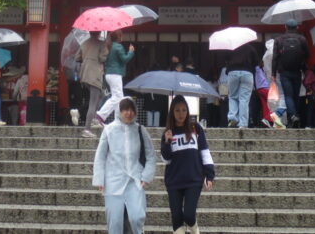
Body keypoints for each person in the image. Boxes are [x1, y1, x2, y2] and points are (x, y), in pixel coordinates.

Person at [93, 97, 156, 234]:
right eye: (125, 109)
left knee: (137, 217)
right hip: (113, 181)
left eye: (132, 109)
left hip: (134, 180)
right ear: (119, 111)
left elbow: (151, 155)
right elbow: (100, 156)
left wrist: (146, 176)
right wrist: (99, 179)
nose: (129, 113)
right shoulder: (109, 130)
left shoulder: (140, 130)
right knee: (114, 221)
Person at [161, 95, 215, 234]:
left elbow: (204, 152)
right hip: (174, 181)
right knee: (177, 218)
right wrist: (167, 142)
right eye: (177, 110)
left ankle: (195, 229)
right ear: (172, 112)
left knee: (189, 215)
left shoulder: (195, 128)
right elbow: (166, 160)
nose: (181, 114)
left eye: (184, 110)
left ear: (188, 111)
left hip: (193, 179)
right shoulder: (168, 132)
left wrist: (209, 175)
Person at [272, 19, 309, 128]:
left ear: (285, 26)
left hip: (284, 72)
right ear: (297, 27)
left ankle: (292, 116)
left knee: (288, 95)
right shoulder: (302, 39)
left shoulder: (279, 40)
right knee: (295, 96)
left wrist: (273, 74)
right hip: (297, 71)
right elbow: (307, 55)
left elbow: (275, 58)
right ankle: (293, 118)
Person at [95, 31, 135, 126]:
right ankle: (100, 116)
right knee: (117, 97)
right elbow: (125, 59)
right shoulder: (118, 47)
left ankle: (118, 120)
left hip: (109, 74)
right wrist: (131, 52)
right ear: (119, 37)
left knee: (119, 98)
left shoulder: (109, 46)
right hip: (115, 74)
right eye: (121, 35)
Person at [78, 31, 110, 138]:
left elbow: (77, 57)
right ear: (99, 33)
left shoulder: (84, 43)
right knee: (93, 102)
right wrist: (106, 50)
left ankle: (94, 119)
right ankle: (87, 129)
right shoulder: (101, 44)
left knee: (101, 95)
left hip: (84, 74)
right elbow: (102, 58)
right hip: (95, 74)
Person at [225, 40, 259, 128]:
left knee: (232, 96)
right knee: (244, 99)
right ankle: (243, 123)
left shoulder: (232, 48)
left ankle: (232, 118)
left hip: (233, 72)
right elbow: (256, 62)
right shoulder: (251, 48)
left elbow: (226, 59)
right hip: (247, 72)